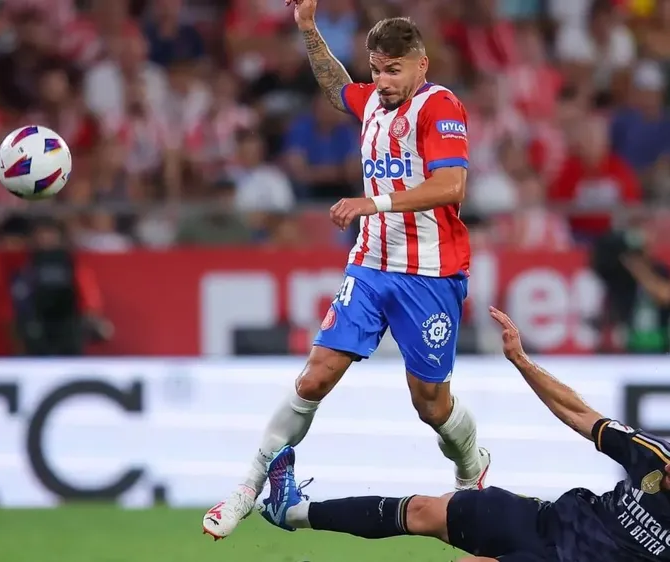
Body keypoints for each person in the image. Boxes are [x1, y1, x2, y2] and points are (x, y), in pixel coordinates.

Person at [202, 0, 488, 540]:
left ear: (421, 64)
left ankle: (473, 467)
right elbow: (338, 86)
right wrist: (308, 29)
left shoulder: (439, 107)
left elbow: (452, 187)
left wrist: (369, 204)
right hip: (371, 267)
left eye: (393, 70)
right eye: (376, 69)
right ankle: (246, 488)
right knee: (314, 378)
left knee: (431, 405)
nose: (381, 81)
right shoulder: (374, 103)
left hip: (429, 275)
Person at [256, 307, 670, 562]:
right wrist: (523, 362)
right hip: (547, 521)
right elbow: (579, 412)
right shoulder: (653, 456)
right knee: (427, 510)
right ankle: (292, 511)